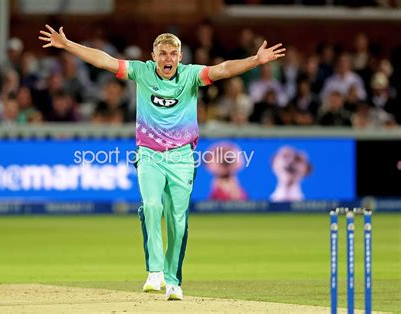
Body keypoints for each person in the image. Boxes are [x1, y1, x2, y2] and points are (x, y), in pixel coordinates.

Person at [39, 25, 285, 300]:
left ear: (180, 57)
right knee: (152, 206)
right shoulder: (142, 72)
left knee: (177, 221)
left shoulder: (192, 75)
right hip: (149, 154)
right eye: (163, 53)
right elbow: (104, 60)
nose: (168, 58)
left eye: (173, 53)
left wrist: (255, 60)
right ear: (153, 56)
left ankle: (173, 281)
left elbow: (223, 69)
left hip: (182, 157)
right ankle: (154, 271)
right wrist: (68, 44)